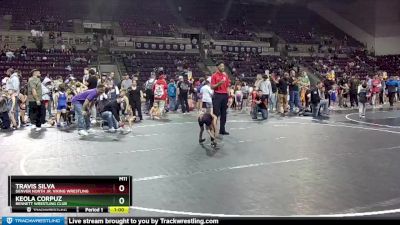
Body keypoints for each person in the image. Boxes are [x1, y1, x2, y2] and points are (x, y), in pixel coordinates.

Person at [211, 62, 230, 135]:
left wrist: (229, 96)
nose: (223, 67)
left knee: (224, 114)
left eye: (223, 66)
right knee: (216, 114)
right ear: (217, 67)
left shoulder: (225, 75)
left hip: (225, 95)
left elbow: (228, 86)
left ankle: (222, 130)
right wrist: (219, 83)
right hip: (217, 95)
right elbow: (212, 87)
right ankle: (214, 130)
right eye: (221, 66)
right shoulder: (214, 76)